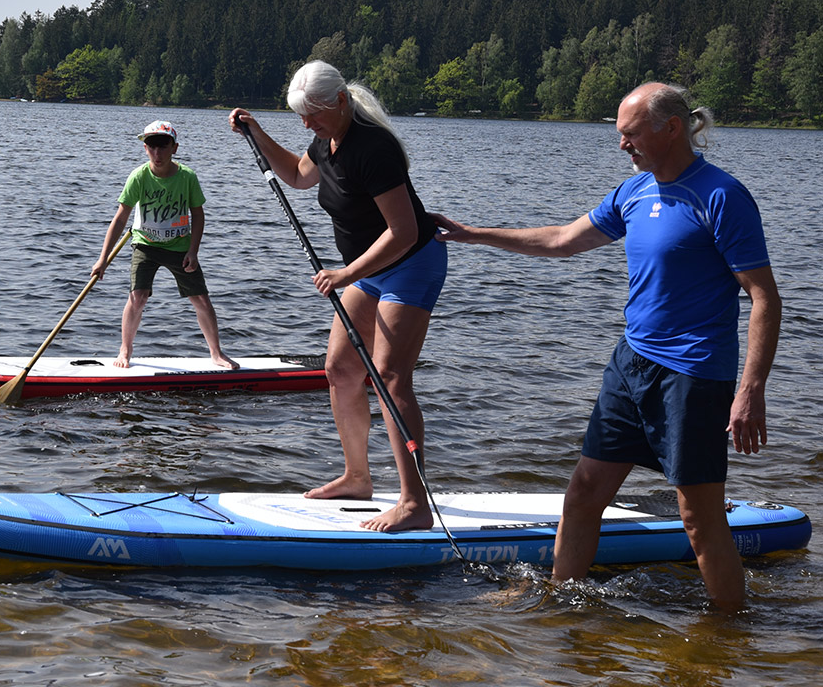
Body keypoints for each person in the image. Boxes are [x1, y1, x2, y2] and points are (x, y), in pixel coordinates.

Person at [434, 82, 781, 610]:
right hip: (631, 364)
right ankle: (555, 604)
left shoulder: (721, 196)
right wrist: (474, 234)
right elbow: (562, 240)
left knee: (698, 517)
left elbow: (763, 296)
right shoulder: (633, 192)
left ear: (671, 128)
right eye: (619, 135)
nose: (623, 146)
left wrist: (751, 389)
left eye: (631, 134)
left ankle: (730, 633)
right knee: (584, 493)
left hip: (693, 374)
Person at [229, 60, 447, 532]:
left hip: (411, 264)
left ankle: (415, 504)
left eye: (313, 115)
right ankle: (357, 477)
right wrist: (257, 133)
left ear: (342, 102)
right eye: (301, 116)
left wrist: (346, 272)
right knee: (341, 369)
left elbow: (405, 231)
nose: (306, 124)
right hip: (368, 272)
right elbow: (299, 175)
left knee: (390, 378)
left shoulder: (374, 148)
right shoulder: (325, 140)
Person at [91, 120, 238, 370]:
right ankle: (125, 350)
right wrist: (103, 258)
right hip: (145, 245)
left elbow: (198, 215)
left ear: (175, 148)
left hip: (179, 247)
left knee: (200, 299)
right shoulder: (138, 177)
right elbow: (120, 218)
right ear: (145, 148)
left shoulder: (187, 177)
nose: (157, 153)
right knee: (137, 297)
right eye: (151, 147)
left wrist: (193, 251)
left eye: (163, 147)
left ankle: (217, 353)